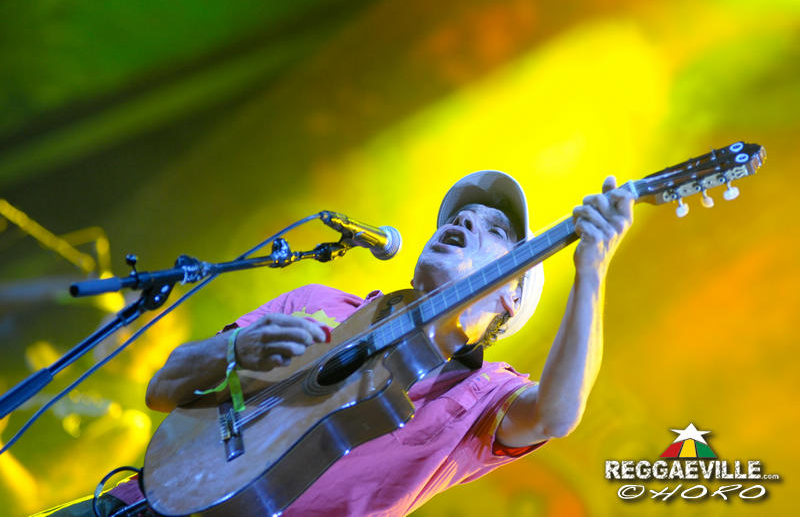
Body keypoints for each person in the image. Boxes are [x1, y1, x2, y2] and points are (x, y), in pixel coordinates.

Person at [39, 170, 634, 516]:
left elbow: (556, 415)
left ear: (511, 298)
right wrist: (232, 354)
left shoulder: (483, 394)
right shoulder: (320, 302)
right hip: (126, 505)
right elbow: (163, 388)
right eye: (462, 214)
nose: (467, 221)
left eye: (496, 230)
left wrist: (592, 270)